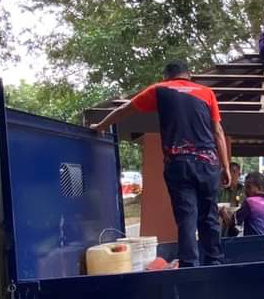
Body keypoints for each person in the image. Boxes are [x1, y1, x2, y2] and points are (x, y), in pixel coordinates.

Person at [92, 60, 230, 267]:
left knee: (186, 215)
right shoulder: (206, 92)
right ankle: (215, 262)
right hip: (208, 162)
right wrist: (225, 166)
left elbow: (125, 110)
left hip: (179, 163)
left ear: (166, 76)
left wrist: (101, 126)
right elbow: (218, 131)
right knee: (209, 215)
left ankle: (189, 265)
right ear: (189, 75)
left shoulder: (160, 89)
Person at [222, 171, 264, 237]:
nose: (245, 190)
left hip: (252, 242)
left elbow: (231, 222)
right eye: (245, 187)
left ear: (259, 188)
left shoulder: (250, 202)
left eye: (248, 187)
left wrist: (223, 212)